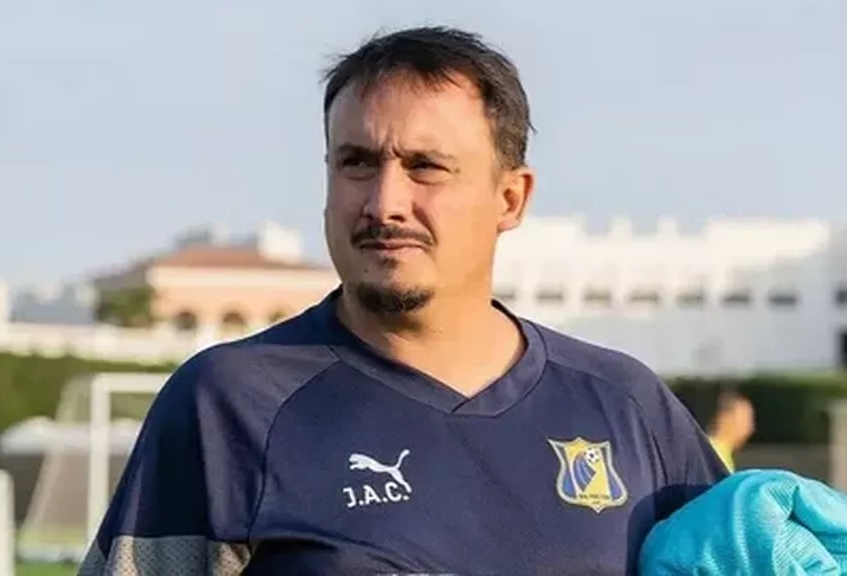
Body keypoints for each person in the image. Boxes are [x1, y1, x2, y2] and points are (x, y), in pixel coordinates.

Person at [79, 26, 728, 575]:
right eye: (356, 163)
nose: (385, 203)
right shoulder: (229, 403)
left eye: (426, 166)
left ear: (511, 199)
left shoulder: (625, 405)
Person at [705, 389, 755, 472]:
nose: (750, 428)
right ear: (725, 418)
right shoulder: (715, 454)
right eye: (745, 420)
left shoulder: (720, 452)